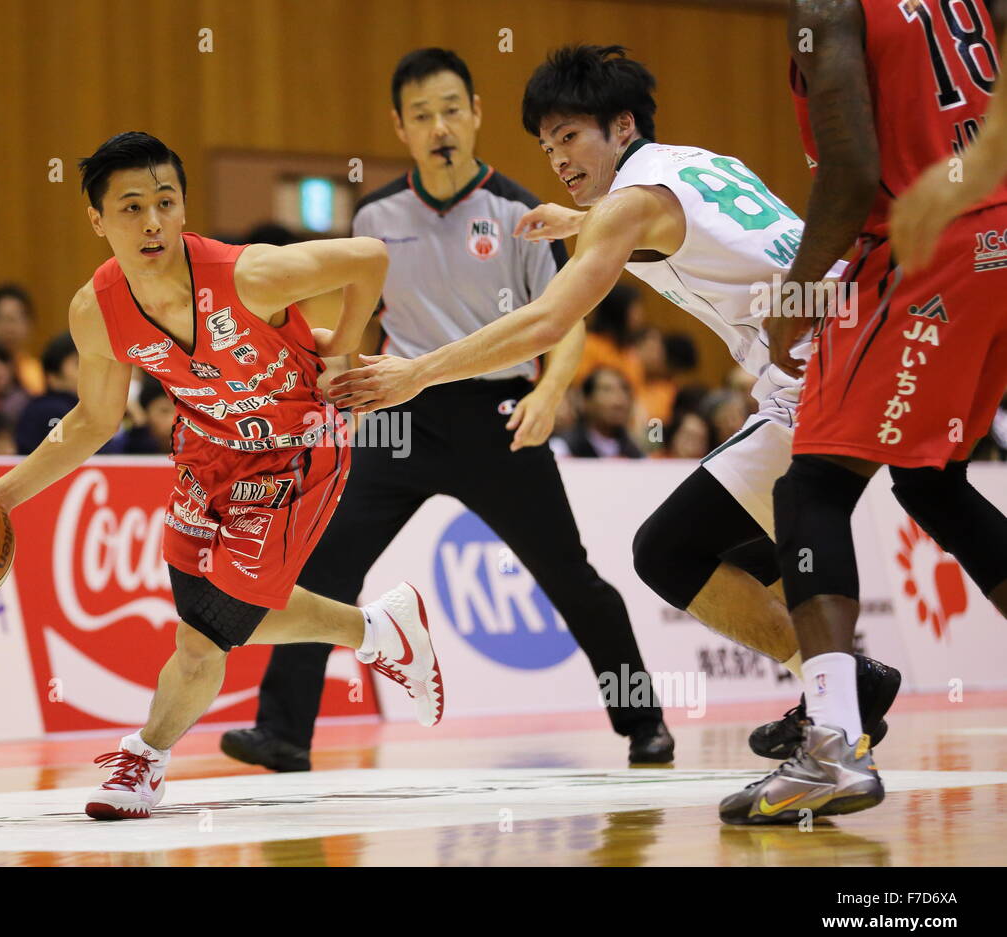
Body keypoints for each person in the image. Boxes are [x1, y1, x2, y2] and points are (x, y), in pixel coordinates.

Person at [329, 44, 900, 768]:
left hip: (820, 378)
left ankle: (836, 708)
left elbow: (545, 322)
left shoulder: (627, 208)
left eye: (569, 137)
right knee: (767, 537)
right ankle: (843, 689)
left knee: (671, 551)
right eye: (546, 145)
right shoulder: (701, 162)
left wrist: (418, 373)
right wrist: (580, 222)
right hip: (874, 342)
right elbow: (687, 226)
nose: (558, 158)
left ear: (622, 125)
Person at [220, 47, 672, 775]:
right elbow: (364, 321)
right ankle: (282, 734)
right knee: (322, 565)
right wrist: (327, 374)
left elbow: (568, 318)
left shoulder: (521, 211)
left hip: (500, 415)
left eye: (452, 110)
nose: (440, 127)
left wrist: (549, 395)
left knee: (569, 576)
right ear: (400, 127)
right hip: (404, 415)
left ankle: (644, 723)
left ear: (477, 114)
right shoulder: (376, 214)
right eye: (423, 115)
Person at [0, 131, 444, 820]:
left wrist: (343, 354)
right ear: (97, 219)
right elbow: (92, 421)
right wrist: (0, 497)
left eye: (165, 202)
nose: (151, 222)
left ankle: (144, 759)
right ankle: (379, 631)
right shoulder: (97, 310)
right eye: (131, 206)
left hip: (296, 450)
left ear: (183, 207)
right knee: (213, 619)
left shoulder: (247, 275)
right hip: (206, 453)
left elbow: (369, 259)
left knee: (206, 637)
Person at [724, 0, 1007, 824]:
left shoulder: (824, 6)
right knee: (933, 481)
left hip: (931, 245)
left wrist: (799, 297)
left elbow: (848, 175)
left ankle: (832, 747)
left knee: (811, 486)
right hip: (997, 238)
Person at [16, 332, 79, 454]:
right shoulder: (50, 410)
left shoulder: (78, 407)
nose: (89, 372)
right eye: (78, 363)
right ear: (53, 376)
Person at [566, 366, 644, 458]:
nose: (619, 401)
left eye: (624, 390)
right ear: (585, 401)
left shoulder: (636, 451)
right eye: (607, 390)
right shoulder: (564, 448)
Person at [0, 284, 44, 397]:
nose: (9, 329)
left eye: (15, 319)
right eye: (2, 319)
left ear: (29, 325)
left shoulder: (37, 373)